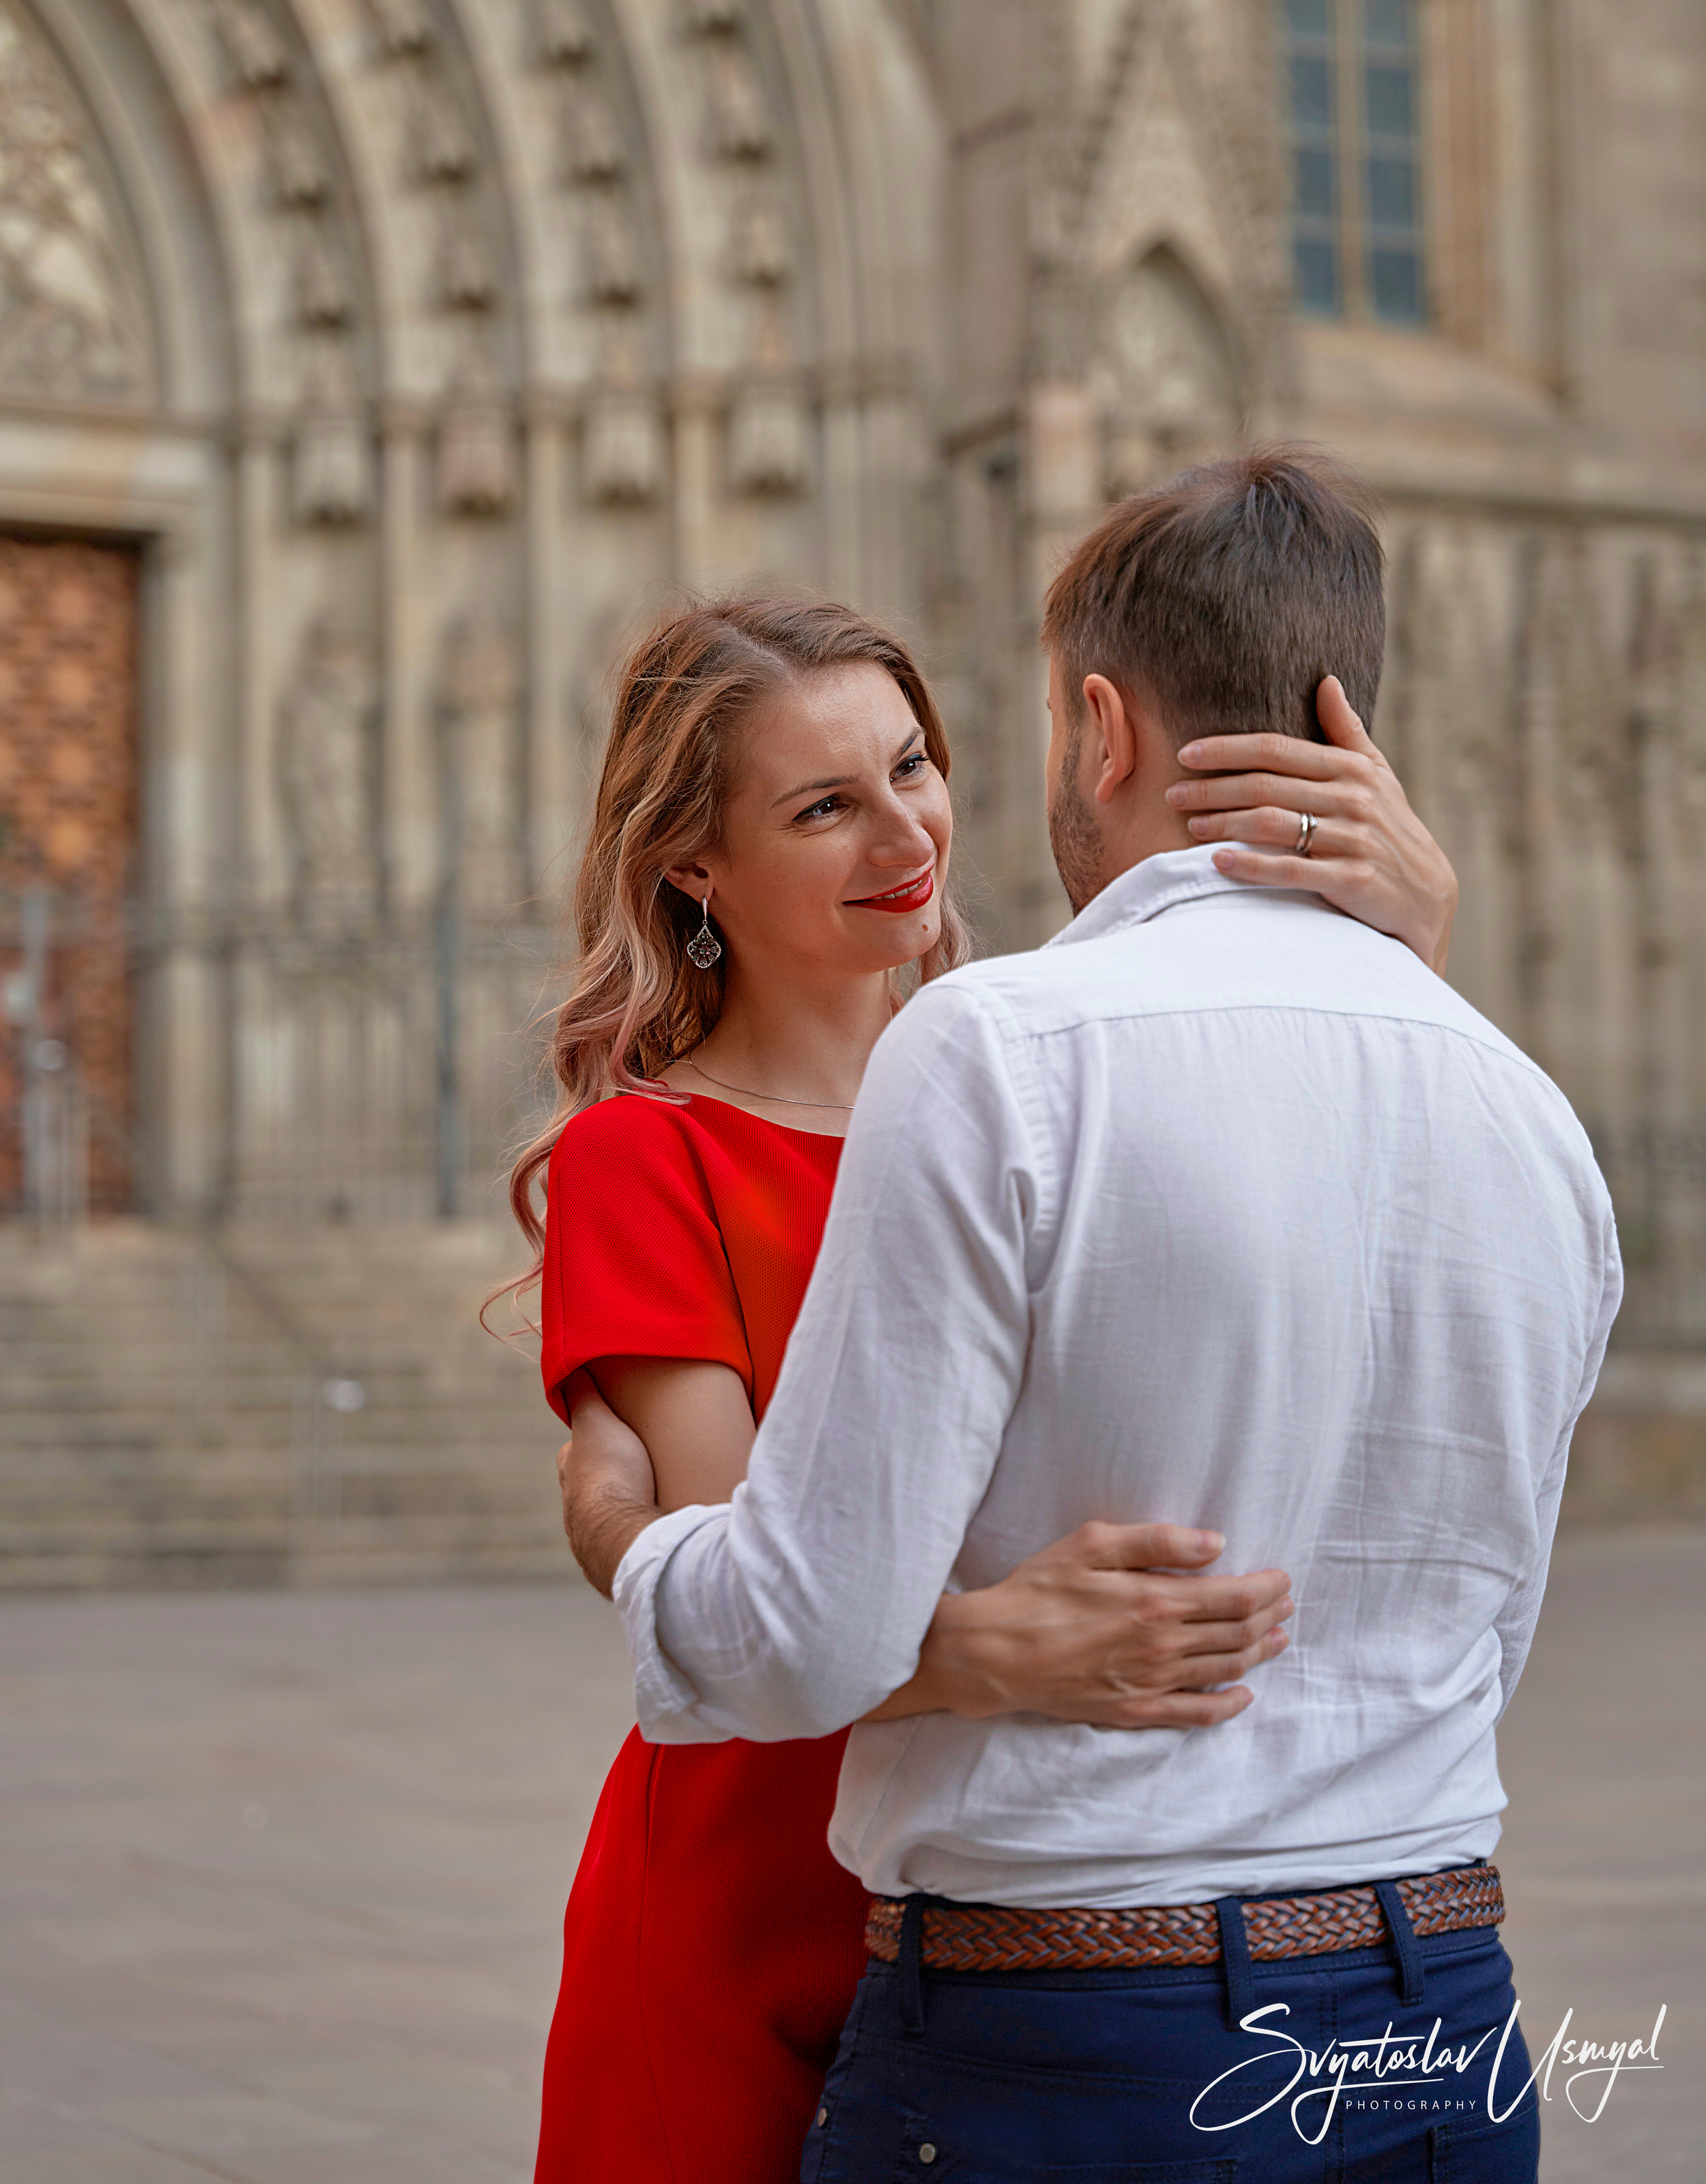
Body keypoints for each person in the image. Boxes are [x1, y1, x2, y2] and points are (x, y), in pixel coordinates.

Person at [562, 451, 1622, 2183]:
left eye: (915, 766)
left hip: (1058, 1991)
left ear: (1096, 730)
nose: (907, 827)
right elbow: (1467, 1632)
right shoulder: (1522, 1111)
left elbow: (789, 1615)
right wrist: (1406, 983)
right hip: (1421, 1988)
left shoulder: (1002, 1058)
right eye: (823, 803)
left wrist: (609, 1526)